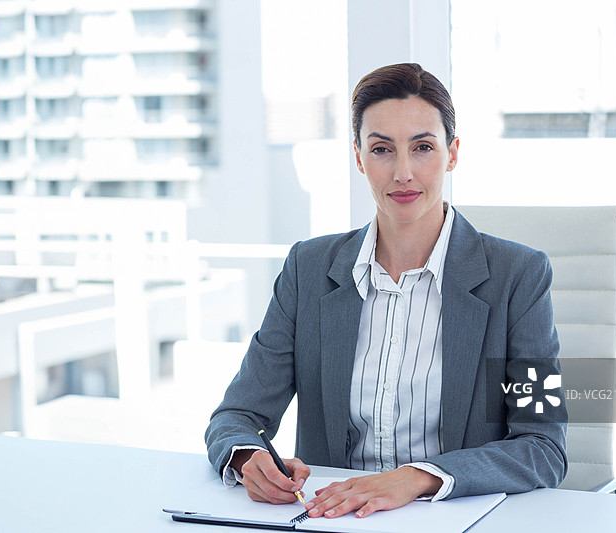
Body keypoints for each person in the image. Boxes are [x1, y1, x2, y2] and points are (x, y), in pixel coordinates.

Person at [205, 63, 567, 520]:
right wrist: (244, 457)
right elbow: (236, 415)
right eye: (381, 149)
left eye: (422, 148)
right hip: (328, 519)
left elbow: (543, 446)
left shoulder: (520, 277)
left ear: (452, 153)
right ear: (358, 157)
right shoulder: (309, 270)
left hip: (450, 519)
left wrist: (417, 477)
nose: (402, 172)